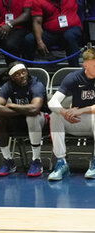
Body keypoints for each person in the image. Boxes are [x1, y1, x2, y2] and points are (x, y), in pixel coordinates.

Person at [0, 62, 50, 177]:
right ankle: (8, 160)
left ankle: (36, 161)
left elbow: (34, 109)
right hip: (19, 120)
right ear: (12, 78)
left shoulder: (36, 84)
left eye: (23, 72)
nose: (22, 75)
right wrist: (21, 111)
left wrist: (12, 106)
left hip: (41, 121)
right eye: (17, 74)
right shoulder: (8, 85)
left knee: (31, 116)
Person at [48, 48, 95, 181]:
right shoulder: (73, 77)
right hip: (76, 121)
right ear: (85, 65)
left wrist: (81, 110)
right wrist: (63, 111)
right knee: (55, 116)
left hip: (91, 119)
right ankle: (61, 162)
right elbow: (52, 102)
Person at [23, 0, 82, 67]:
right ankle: (28, 70)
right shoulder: (38, 1)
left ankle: (74, 68)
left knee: (69, 36)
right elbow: (37, 22)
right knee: (29, 39)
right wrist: (40, 42)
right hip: (51, 33)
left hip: (71, 28)